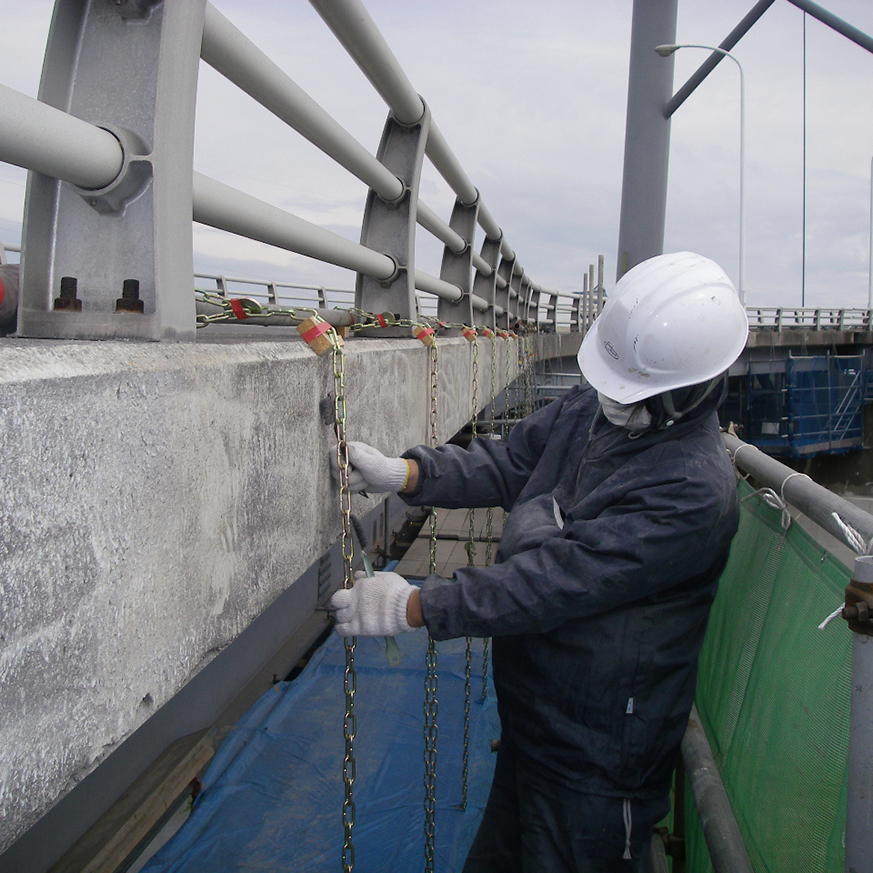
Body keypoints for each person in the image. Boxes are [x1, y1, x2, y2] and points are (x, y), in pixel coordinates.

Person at [330, 251, 749, 872]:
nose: (609, 398)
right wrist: (409, 474)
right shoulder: (601, 407)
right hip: (533, 723)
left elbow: (555, 582)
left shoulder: (692, 492)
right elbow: (510, 462)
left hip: (599, 761)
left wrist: (416, 605)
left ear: (686, 390)